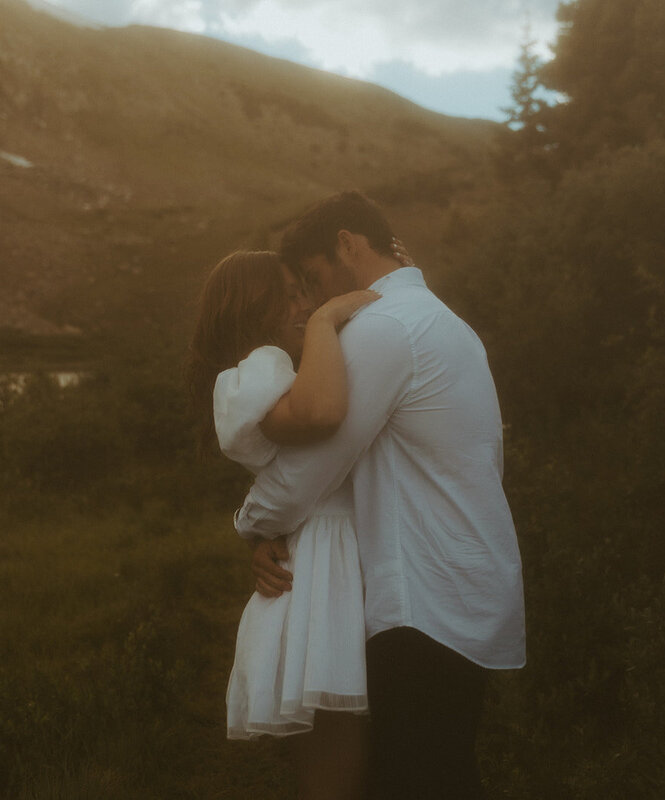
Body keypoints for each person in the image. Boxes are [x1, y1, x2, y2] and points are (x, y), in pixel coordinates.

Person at [236, 191, 526, 800]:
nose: (315, 299)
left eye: (314, 278)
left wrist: (254, 524)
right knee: (437, 771)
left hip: (425, 596)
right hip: (461, 580)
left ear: (348, 244)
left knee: (420, 778)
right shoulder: (442, 320)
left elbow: (314, 463)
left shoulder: (384, 329)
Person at [187, 249, 384, 799]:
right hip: (324, 558)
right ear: (252, 307)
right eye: (288, 293)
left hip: (336, 545)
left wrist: (259, 528)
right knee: (333, 739)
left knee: (348, 737)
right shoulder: (260, 367)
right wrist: (327, 318)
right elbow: (310, 442)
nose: (304, 302)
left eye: (305, 290)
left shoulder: (290, 366)